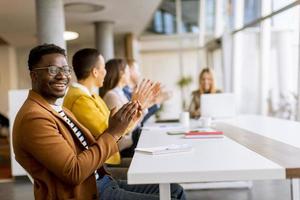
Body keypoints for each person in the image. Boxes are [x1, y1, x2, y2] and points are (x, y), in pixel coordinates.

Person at [13, 44, 186, 200]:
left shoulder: (58, 109)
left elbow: (95, 142)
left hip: (100, 180)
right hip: (89, 192)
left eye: (65, 70)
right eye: (52, 69)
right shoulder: (34, 118)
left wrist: (120, 125)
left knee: (175, 190)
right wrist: (114, 132)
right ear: (34, 76)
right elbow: (74, 172)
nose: (62, 76)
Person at [123, 59, 171, 125]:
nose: (139, 73)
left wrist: (153, 100)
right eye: (137, 70)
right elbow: (134, 120)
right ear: (129, 71)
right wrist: (155, 102)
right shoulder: (124, 92)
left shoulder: (130, 90)